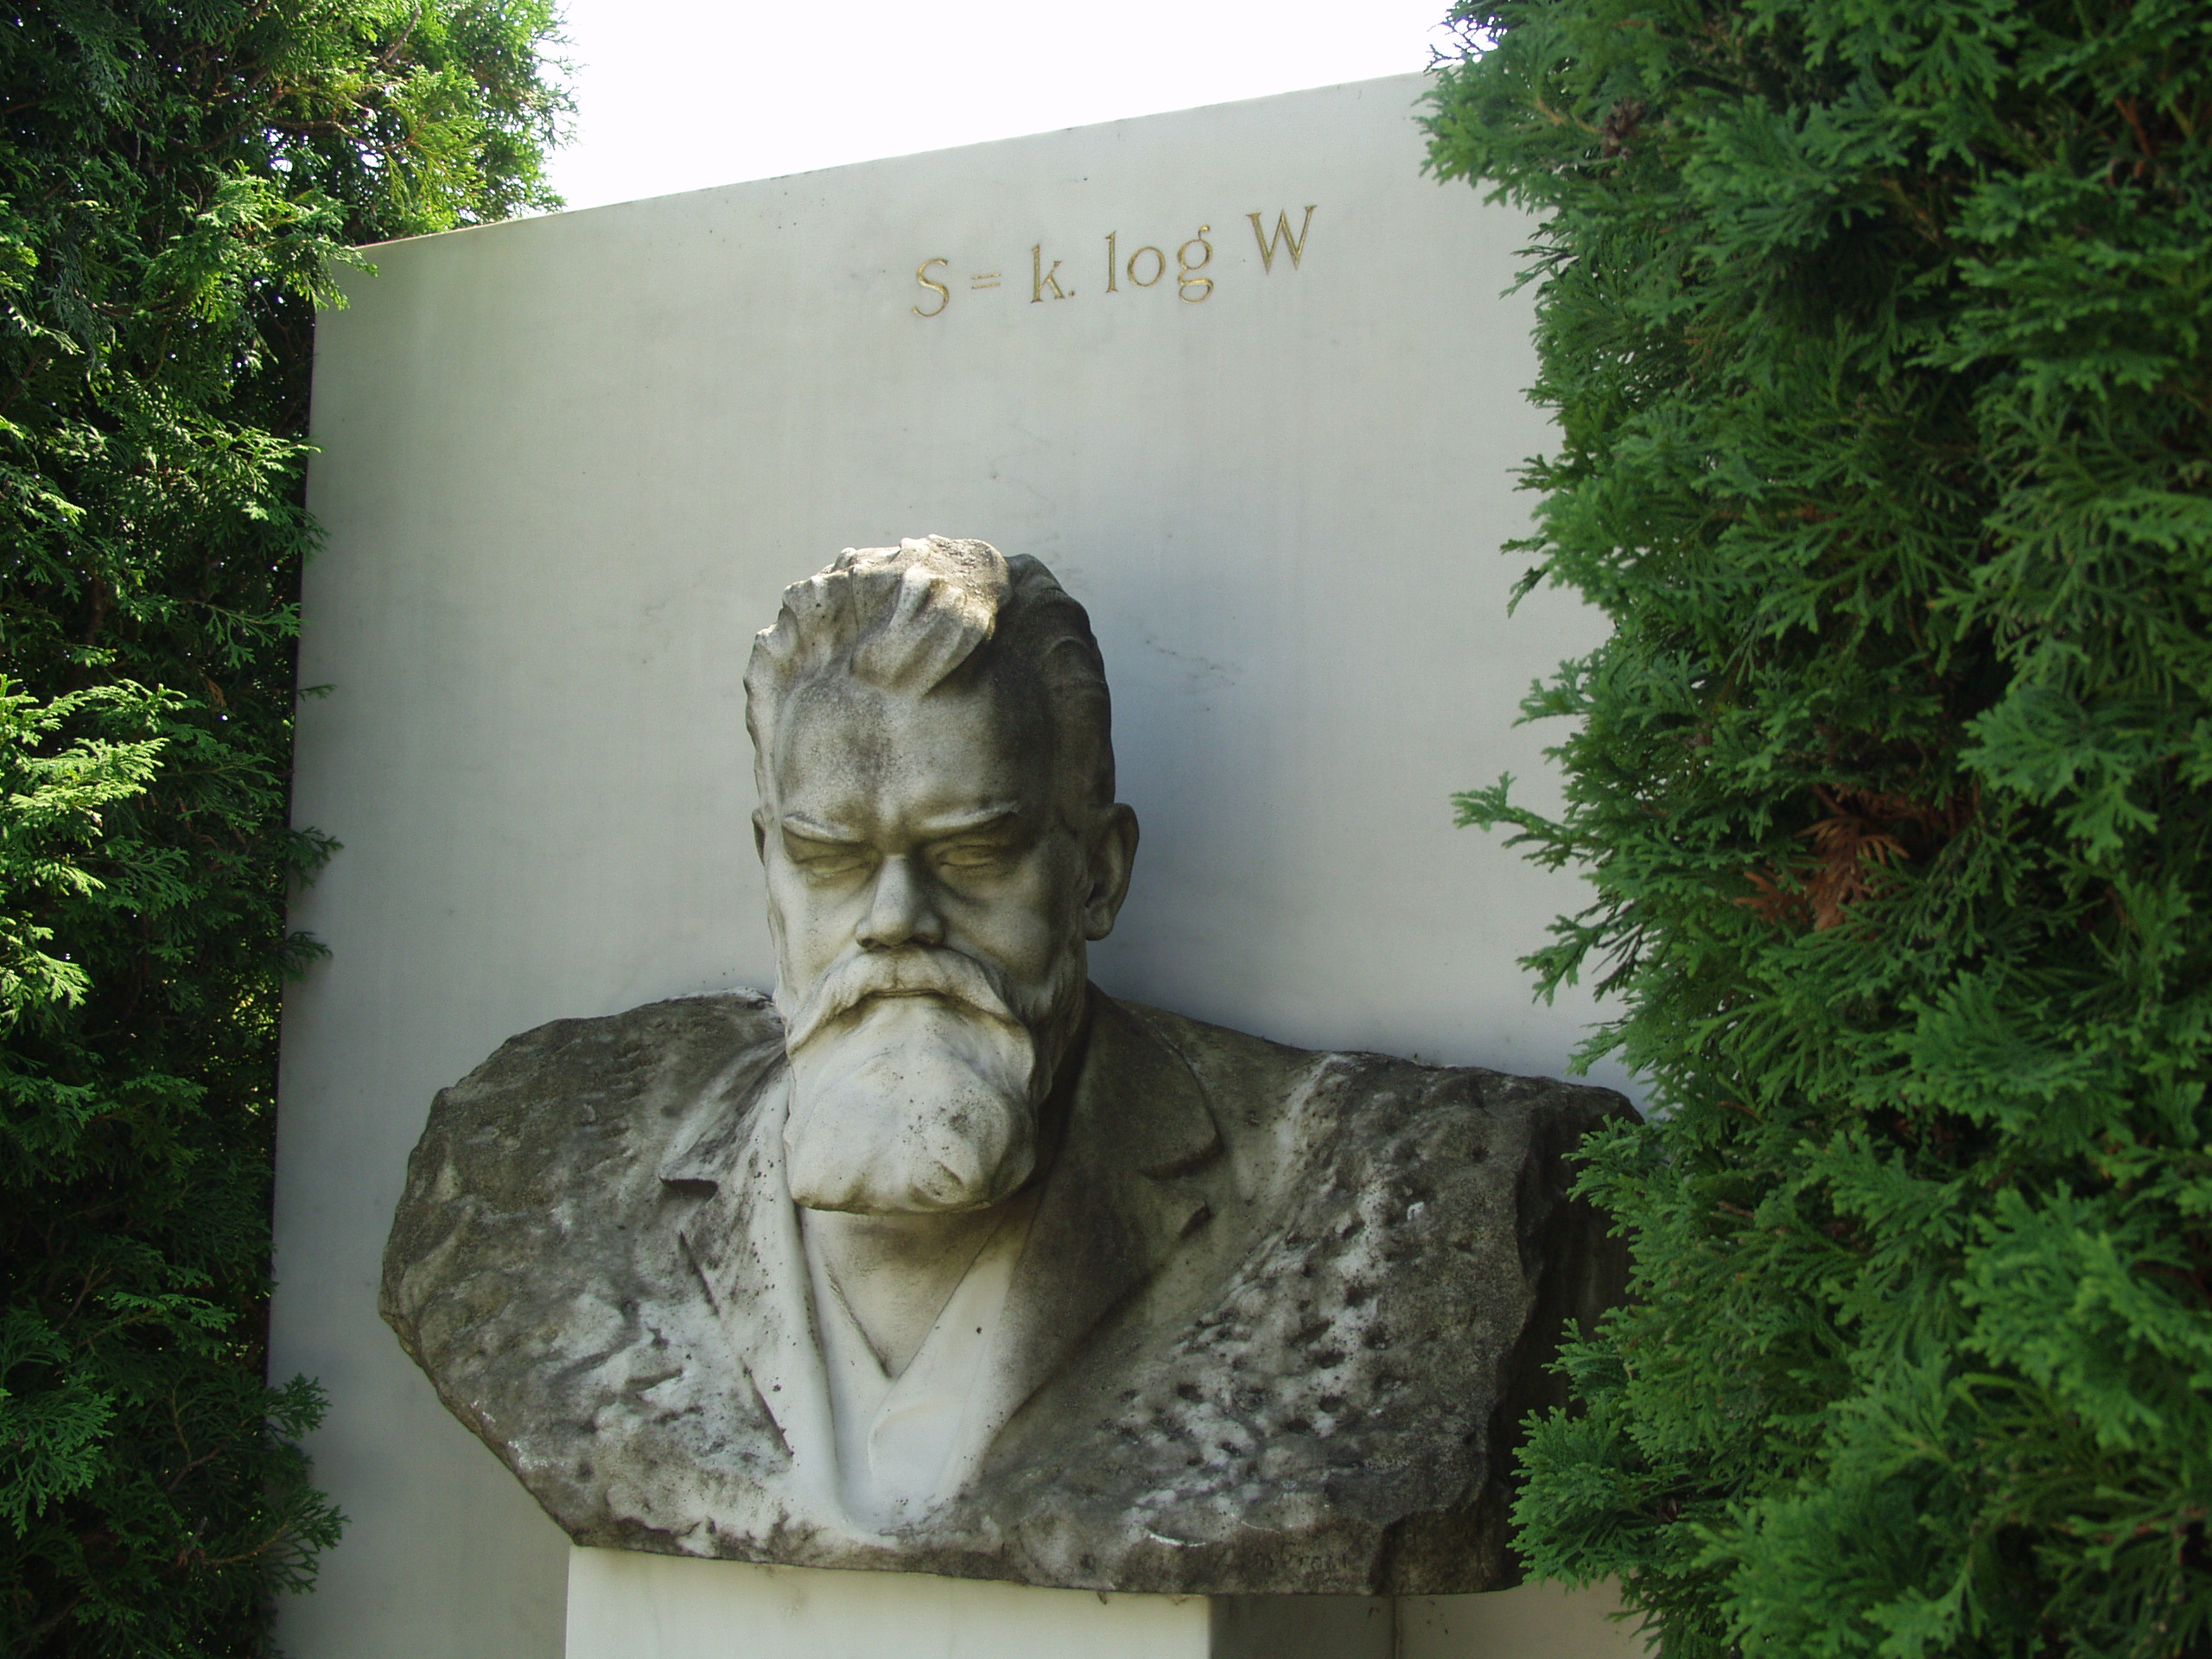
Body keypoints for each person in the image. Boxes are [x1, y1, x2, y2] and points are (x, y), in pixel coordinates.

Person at [382, 537, 1627, 1593]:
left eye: (971, 853)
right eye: (828, 857)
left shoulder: (1395, 1197)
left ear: (1097, 870)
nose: (894, 919)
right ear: (769, 867)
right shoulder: (537, 1173)